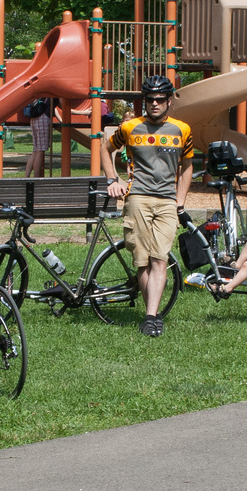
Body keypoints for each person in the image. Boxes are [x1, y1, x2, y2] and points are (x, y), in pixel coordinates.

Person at [101, 75, 193, 337]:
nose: (154, 104)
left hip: (166, 201)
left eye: (160, 100)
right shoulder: (131, 128)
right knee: (143, 261)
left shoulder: (181, 129)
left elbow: (187, 165)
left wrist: (181, 199)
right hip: (137, 197)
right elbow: (105, 149)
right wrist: (112, 179)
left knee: (160, 259)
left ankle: (151, 317)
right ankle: (152, 315)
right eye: (149, 100)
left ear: (169, 101)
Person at [24, 98, 51, 178]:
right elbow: (62, 104)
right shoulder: (53, 92)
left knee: (35, 150)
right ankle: (36, 177)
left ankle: (26, 177)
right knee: (40, 151)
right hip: (43, 118)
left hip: (34, 117)